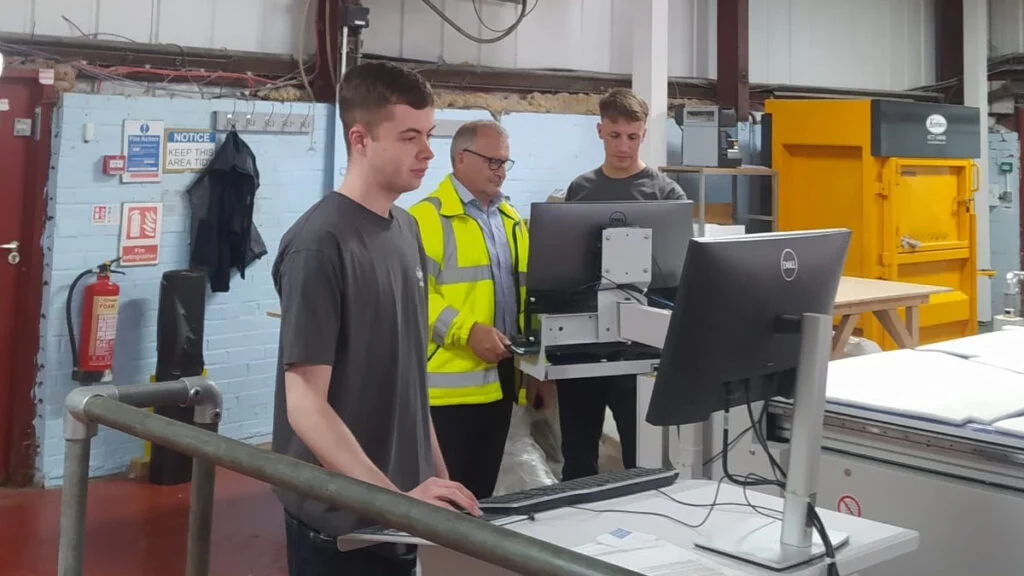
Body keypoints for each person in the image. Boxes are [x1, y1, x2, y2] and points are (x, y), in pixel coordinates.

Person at [270, 61, 479, 576]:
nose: (427, 152)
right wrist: (395, 504)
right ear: (360, 139)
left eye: (428, 134)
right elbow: (305, 406)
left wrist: (438, 477)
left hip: (402, 509)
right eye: (409, 137)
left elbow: (409, 379)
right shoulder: (320, 244)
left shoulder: (406, 230)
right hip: (345, 524)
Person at [409, 119, 551, 500]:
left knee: (482, 495)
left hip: (503, 381)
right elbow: (414, 297)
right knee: (447, 498)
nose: (501, 170)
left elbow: (528, 298)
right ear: (461, 158)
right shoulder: (425, 219)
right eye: (493, 161)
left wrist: (534, 368)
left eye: (505, 162)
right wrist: (467, 332)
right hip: (448, 391)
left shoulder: (511, 221)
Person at [559, 87, 687, 481]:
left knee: (641, 457)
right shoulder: (580, 190)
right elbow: (564, 268)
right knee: (577, 458)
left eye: (632, 137)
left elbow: (679, 275)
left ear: (644, 134)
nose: (623, 146)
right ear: (600, 131)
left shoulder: (666, 194)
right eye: (615, 135)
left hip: (639, 345)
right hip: (584, 342)